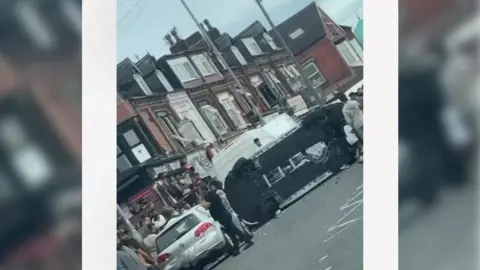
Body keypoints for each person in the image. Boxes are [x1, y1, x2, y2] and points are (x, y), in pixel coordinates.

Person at [201, 186, 253, 256]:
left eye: (200, 191)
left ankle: (247, 241)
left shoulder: (209, 195)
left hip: (223, 216)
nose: (200, 193)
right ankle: (236, 249)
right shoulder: (212, 194)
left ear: (203, 190)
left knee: (234, 230)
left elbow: (207, 206)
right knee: (231, 232)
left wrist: (201, 200)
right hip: (223, 216)